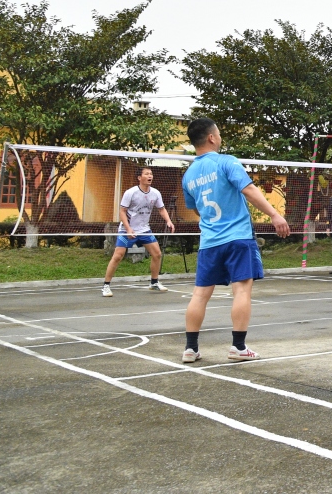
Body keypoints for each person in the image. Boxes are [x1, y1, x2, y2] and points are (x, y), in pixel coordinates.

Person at [180, 117, 290, 363]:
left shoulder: (188, 176)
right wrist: (274, 215)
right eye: (218, 133)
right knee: (241, 290)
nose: (220, 137)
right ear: (211, 137)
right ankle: (238, 347)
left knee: (199, 294)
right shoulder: (226, 162)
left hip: (210, 241)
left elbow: (196, 209)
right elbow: (249, 190)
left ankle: (190, 348)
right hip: (238, 237)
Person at [102, 167, 176, 297]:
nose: (150, 176)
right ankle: (106, 286)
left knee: (157, 254)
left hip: (144, 230)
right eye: (146, 174)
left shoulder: (155, 193)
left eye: (151, 174)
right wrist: (129, 229)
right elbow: (122, 211)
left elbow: (161, 209)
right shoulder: (130, 193)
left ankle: (154, 282)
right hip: (127, 230)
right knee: (118, 256)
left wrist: (168, 221)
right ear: (139, 178)